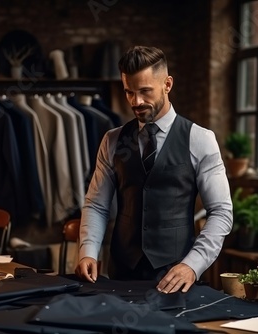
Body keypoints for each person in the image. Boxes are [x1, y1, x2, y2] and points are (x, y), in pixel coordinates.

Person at [75, 45, 233, 294]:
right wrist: (88, 252)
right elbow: (97, 205)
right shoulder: (112, 140)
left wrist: (192, 265)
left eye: (145, 91)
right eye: (129, 92)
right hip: (121, 273)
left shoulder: (200, 139)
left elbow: (221, 212)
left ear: (167, 84)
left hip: (175, 275)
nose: (136, 101)